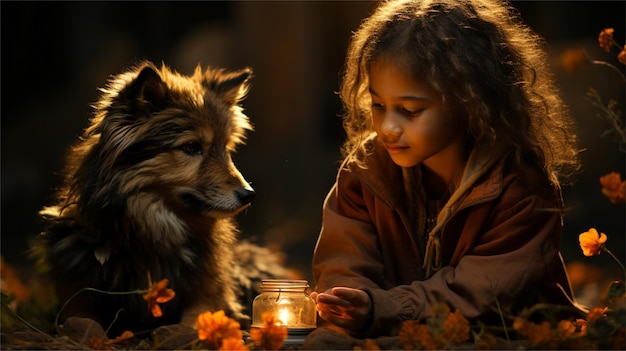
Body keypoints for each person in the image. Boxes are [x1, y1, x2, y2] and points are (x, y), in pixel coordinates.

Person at [308, 0, 583, 342]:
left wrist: (387, 308)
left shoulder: (520, 187)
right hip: (392, 332)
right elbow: (344, 264)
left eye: (409, 110)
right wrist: (353, 304)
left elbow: (479, 296)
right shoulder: (367, 171)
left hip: (503, 337)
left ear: (469, 101)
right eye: (379, 105)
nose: (388, 127)